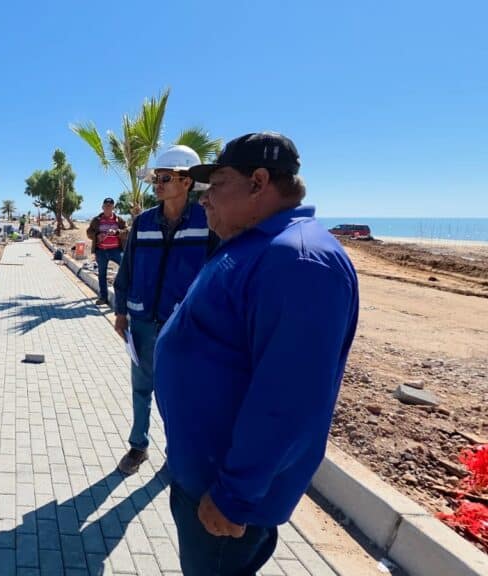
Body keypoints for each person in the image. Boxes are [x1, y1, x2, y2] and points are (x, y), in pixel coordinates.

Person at [155, 132, 359, 575]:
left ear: (258, 181)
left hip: (225, 498)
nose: (205, 200)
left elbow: (289, 398)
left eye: (218, 184)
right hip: (203, 475)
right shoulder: (255, 243)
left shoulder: (299, 260)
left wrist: (235, 496)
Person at [112, 145, 217, 476]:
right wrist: (121, 312)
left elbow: (217, 273)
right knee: (141, 388)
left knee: (179, 395)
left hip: (184, 328)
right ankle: (138, 446)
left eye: (165, 177)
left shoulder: (207, 222)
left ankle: (177, 453)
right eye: (156, 177)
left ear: (187, 182)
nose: (157, 183)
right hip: (142, 322)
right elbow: (127, 269)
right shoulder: (143, 223)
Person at [85, 197, 126, 305]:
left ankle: (125, 295)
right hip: (101, 252)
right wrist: (97, 235)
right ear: (102, 207)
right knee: (102, 275)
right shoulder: (96, 220)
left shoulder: (119, 220)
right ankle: (103, 298)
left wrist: (117, 232)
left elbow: (127, 231)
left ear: (113, 207)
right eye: (106, 206)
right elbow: (89, 232)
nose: (108, 208)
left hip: (116, 251)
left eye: (110, 206)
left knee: (126, 269)